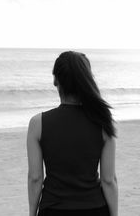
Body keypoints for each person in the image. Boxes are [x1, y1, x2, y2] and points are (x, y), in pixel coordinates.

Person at [27, 51, 118, 216]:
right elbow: (108, 180)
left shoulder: (37, 124)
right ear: (87, 80)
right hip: (94, 209)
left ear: (55, 80)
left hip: (53, 209)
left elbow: (35, 178)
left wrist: (32, 213)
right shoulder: (103, 122)